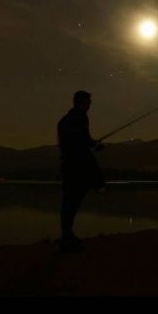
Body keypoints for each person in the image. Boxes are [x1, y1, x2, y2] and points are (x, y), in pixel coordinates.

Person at [57, 90, 106, 253]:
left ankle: (66, 235)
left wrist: (91, 143)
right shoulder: (81, 118)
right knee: (74, 200)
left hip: (67, 165)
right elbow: (83, 141)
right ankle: (67, 237)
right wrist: (96, 146)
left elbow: (75, 141)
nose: (90, 105)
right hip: (78, 166)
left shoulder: (63, 121)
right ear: (82, 102)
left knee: (68, 201)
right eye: (88, 102)